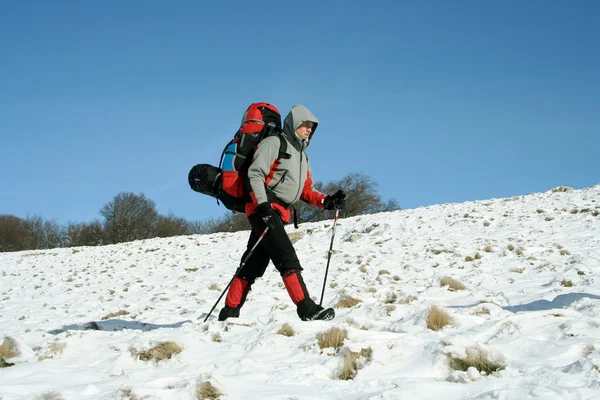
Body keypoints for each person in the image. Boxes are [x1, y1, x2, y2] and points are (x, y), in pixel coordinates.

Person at [218, 104, 346, 321]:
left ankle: (229, 312)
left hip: (278, 213)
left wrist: (327, 201)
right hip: (264, 209)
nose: (308, 130)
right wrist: (263, 207)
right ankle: (305, 307)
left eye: (311, 128)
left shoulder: (302, 156)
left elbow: (306, 189)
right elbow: (255, 174)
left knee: (253, 263)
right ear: (294, 124)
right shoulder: (274, 143)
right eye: (305, 125)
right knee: (286, 256)